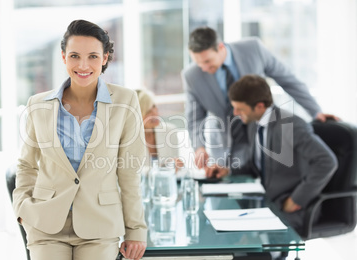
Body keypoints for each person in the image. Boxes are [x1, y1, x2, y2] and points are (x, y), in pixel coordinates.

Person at [13, 20, 147, 260]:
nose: (83, 65)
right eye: (75, 56)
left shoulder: (126, 101)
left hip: (100, 225)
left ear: (105, 58)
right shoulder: (38, 104)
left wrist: (136, 230)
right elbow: (26, 164)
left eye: (93, 56)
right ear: (64, 57)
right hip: (46, 224)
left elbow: (128, 171)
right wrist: (23, 209)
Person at [182, 26, 338, 170]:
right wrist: (199, 147)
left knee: (271, 183)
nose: (203, 68)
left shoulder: (253, 49)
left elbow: (288, 80)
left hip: (264, 133)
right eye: (198, 63)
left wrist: (315, 111)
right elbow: (195, 118)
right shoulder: (192, 76)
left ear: (220, 47)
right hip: (226, 145)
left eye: (207, 61)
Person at [206, 75, 338, 234]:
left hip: (293, 209)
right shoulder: (255, 123)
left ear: (260, 106)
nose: (235, 113)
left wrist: (297, 199)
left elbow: (327, 161)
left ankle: (273, 258)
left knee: (239, 235)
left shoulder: (291, 126)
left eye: (240, 109)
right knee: (220, 222)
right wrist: (228, 171)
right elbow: (259, 164)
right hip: (268, 202)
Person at [135, 88, 183, 170]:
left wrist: (177, 165)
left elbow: (176, 170)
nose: (154, 113)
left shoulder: (170, 131)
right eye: (148, 111)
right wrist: (162, 169)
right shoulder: (128, 138)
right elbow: (132, 172)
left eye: (154, 107)